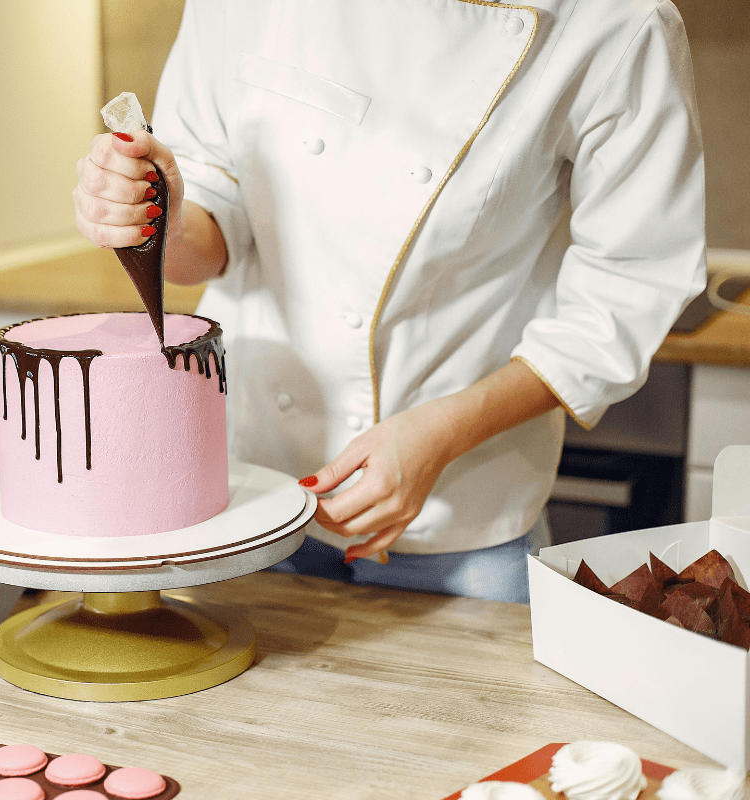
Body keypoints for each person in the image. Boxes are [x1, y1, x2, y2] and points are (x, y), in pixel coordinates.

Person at [72, 0, 706, 602]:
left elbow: (630, 285)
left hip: (460, 526)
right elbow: (215, 224)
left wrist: (442, 433)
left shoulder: (616, 22)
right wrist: (161, 221)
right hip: (254, 495)